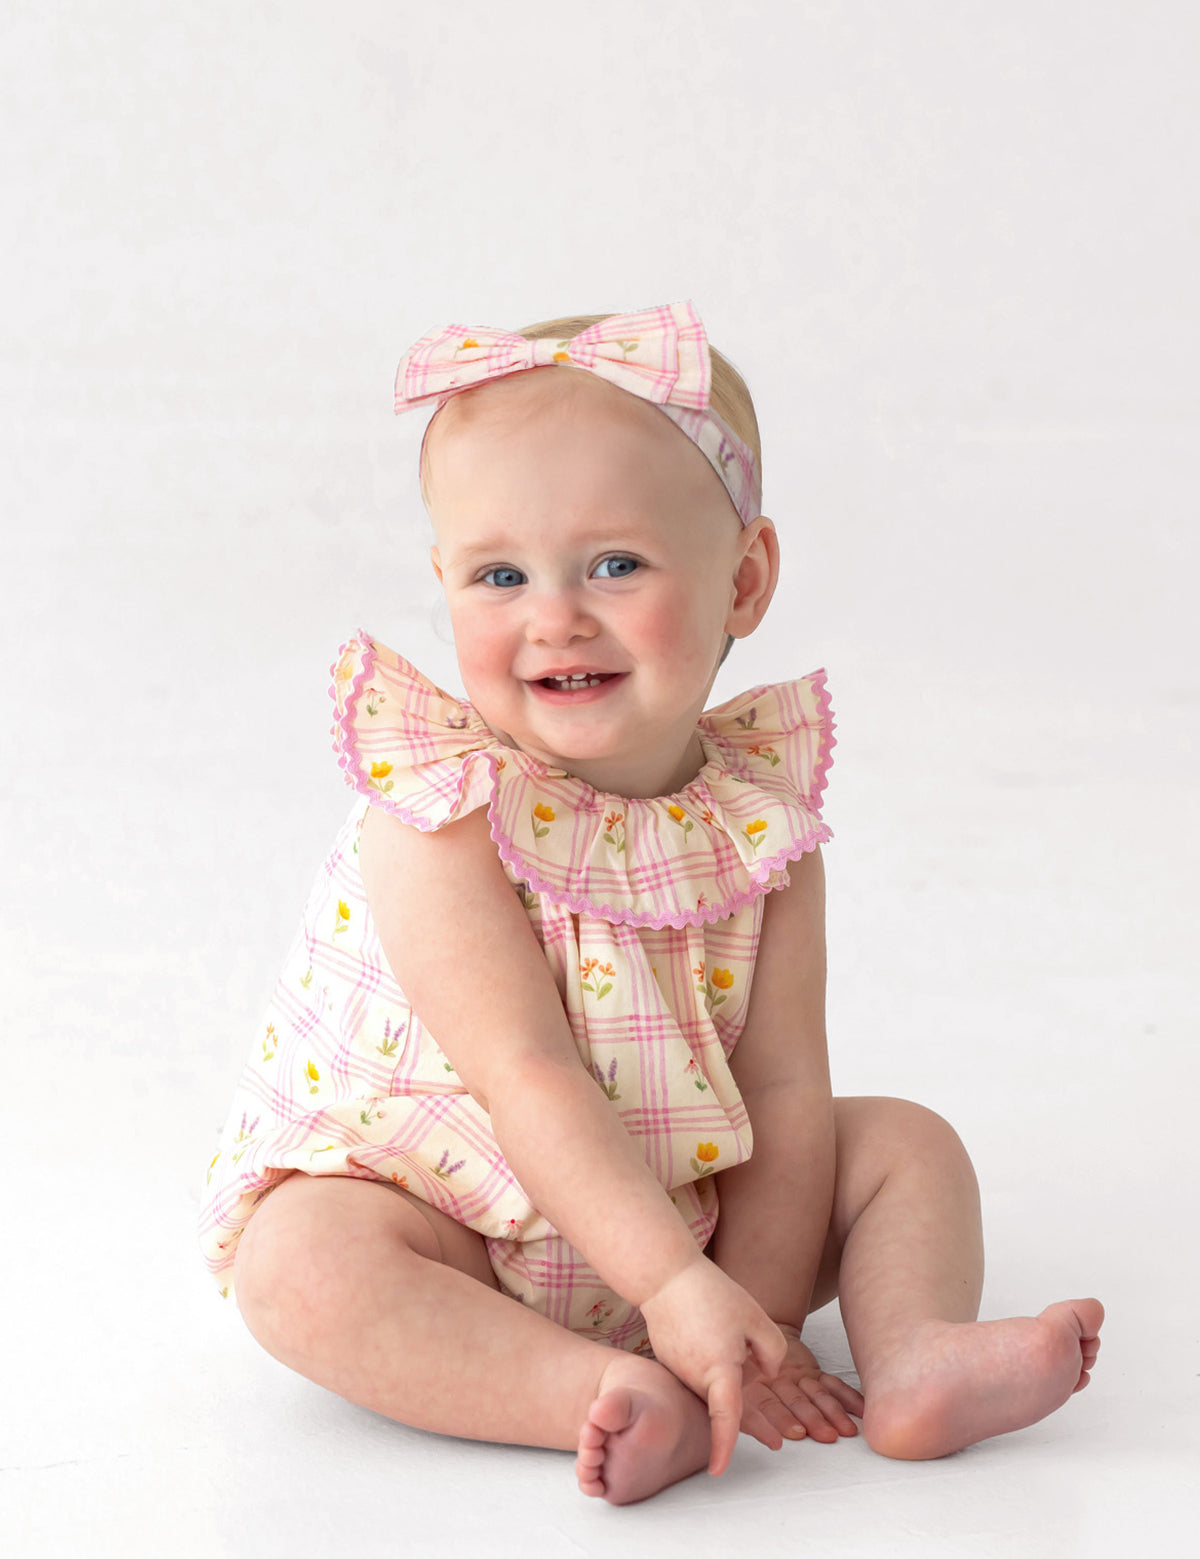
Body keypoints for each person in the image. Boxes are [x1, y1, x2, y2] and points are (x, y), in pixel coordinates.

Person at [199, 301, 1103, 1506]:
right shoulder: (439, 817)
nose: (554, 615)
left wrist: (758, 1319)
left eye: (615, 563)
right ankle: (591, 1391)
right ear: (445, 580)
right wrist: (673, 1297)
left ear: (745, 579)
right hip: (459, 1210)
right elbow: (525, 1071)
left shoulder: (763, 825)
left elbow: (783, 1083)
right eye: (499, 573)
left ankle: (912, 1352)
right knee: (301, 1264)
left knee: (905, 1144)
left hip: (693, 1197)